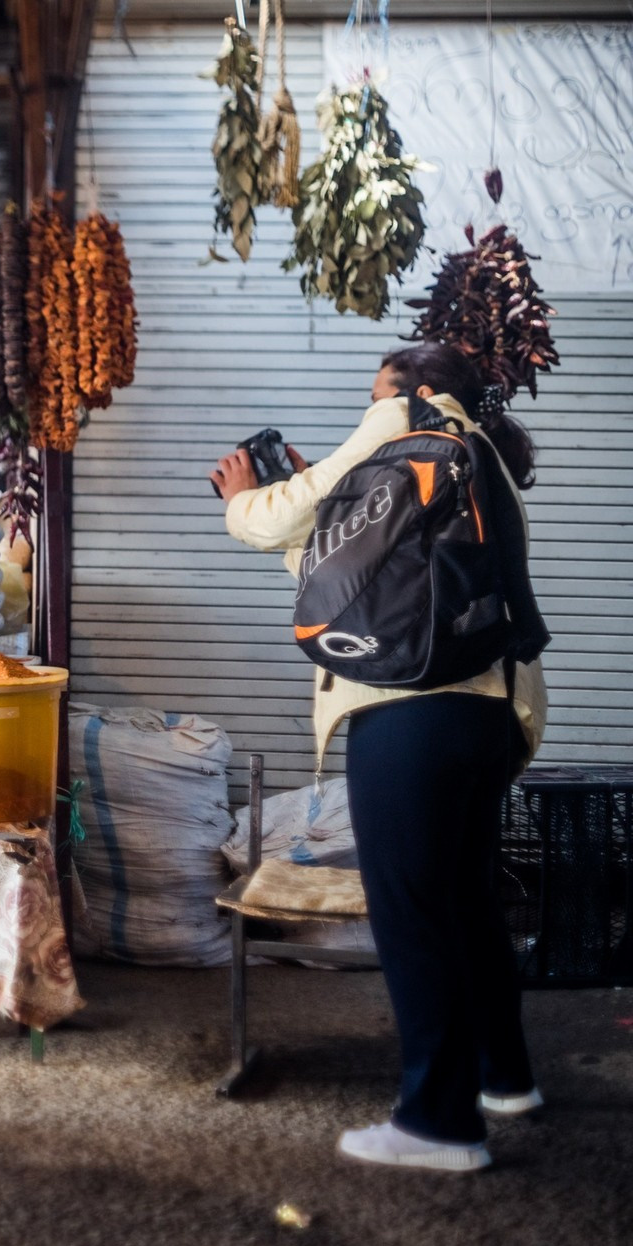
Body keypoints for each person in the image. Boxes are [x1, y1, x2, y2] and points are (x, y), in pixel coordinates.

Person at [214, 342, 549, 1173]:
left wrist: (243, 496)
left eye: (374, 395)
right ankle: (505, 1078)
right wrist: (326, 498)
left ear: (416, 389)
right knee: (466, 899)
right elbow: (359, 572)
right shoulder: (487, 455)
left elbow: (277, 519)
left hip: (410, 705)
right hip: (489, 710)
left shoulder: (404, 416)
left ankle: (438, 1121)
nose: (370, 410)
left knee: (408, 905)